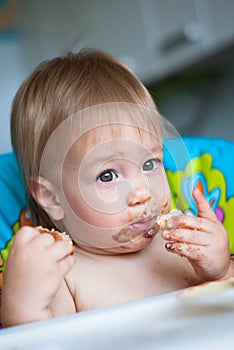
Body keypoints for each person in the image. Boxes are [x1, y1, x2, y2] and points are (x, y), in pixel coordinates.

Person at [1, 49, 233, 327]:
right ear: (51, 198)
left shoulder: (188, 246)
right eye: (108, 175)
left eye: (150, 164)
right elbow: (38, 343)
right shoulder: (66, 278)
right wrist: (22, 307)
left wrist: (221, 270)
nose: (142, 192)